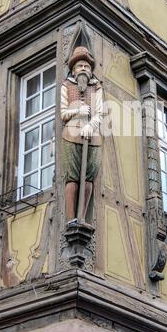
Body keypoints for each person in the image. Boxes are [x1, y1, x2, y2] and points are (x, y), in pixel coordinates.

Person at [61, 46, 102, 224]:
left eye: (86, 66)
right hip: (70, 134)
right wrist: (78, 110)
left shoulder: (97, 87)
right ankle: (71, 218)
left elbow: (100, 112)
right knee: (73, 175)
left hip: (93, 137)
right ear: (73, 70)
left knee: (89, 176)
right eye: (80, 66)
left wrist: (91, 125)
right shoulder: (67, 85)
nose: (83, 69)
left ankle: (83, 217)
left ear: (91, 70)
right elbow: (63, 113)